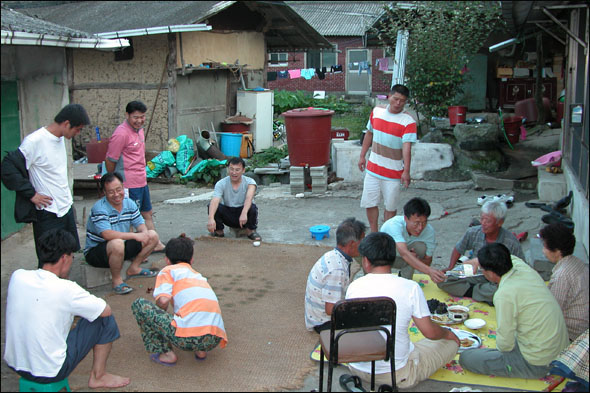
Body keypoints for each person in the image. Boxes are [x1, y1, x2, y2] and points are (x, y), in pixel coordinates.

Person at [3, 229, 129, 389]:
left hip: (16, 365)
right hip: (50, 372)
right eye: (72, 256)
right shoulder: (67, 289)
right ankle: (99, 376)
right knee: (103, 318)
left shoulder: (18, 276)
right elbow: (105, 310)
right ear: (64, 258)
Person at [346, 232, 459, 389]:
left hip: (356, 367)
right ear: (393, 259)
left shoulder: (354, 286)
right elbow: (430, 333)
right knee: (450, 343)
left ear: (366, 261)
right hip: (397, 374)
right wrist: (448, 333)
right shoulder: (410, 287)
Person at [459, 243, 569, 379]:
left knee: (467, 357)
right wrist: (477, 260)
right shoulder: (521, 267)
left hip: (538, 363)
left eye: (483, 269)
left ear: (491, 273)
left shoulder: (504, 294)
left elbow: (505, 345)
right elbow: (511, 257)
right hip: (560, 351)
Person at [1, 104, 90, 267]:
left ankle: (63, 290)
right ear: (66, 124)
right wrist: (31, 194)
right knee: (49, 261)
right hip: (48, 212)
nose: (77, 133)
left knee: (68, 256)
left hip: (65, 208)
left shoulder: (60, 139)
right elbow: (7, 168)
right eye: (77, 129)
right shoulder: (35, 141)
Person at [131, 235, 227, 366]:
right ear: (191, 260)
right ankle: (201, 351)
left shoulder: (168, 271)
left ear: (167, 260)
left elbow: (163, 301)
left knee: (139, 305)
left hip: (188, 338)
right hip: (214, 338)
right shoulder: (199, 277)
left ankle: (166, 353)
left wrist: (158, 319)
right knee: (195, 311)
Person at [84, 172, 159, 294]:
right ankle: (116, 280)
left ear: (123, 187)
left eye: (119, 189)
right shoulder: (100, 208)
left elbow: (140, 223)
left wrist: (144, 233)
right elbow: (107, 234)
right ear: (104, 192)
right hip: (97, 252)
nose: (116, 194)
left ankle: (134, 268)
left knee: (152, 235)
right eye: (111, 192)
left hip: (121, 245)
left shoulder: (129, 203)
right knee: (117, 243)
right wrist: (135, 235)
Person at [437, 200, 525, 304]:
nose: (483, 223)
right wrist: (450, 267)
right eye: (482, 219)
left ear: (499, 222)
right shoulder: (473, 232)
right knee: (442, 280)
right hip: (474, 272)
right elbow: (459, 248)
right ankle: (481, 293)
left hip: (497, 279)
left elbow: (521, 268)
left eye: (487, 221)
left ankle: (473, 291)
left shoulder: (511, 242)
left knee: (506, 290)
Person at [105, 100, 165, 251]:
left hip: (141, 181)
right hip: (128, 184)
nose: (139, 120)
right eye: (135, 117)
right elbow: (110, 159)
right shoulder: (121, 133)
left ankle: (155, 244)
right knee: (130, 219)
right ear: (127, 115)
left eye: (142, 117)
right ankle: (133, 250)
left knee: (147, 213)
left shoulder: (140, 130)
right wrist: (114, 181)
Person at [358, 84, 417, 233]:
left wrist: (406, 171)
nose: (398, 103)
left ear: (406, 102)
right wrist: (362, 156)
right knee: (370, 202)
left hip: (394, 172)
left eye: (402, 101)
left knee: (390, 207)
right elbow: (369, 133)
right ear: (389, 96)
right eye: (396, 99)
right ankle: (374, 232)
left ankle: (386, 235)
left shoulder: (408, 121)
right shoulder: (376, 112)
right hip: (373, 168)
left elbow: (407, 147)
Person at [304, 218, 367, 332]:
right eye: (362, 241)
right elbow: (331, 309)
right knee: (368, 319)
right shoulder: (337, 269)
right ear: (352, 244)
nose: (364, 245)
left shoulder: (334, 256)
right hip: (323, 322)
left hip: (319, 315)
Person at [539, 223, 589, 341]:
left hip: (572, 334)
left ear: (557, 251)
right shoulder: (577, 262)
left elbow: (551, 312)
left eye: (545, 247)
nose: (543, 251)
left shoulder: (562, 275)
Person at [380, 197, 445, 283]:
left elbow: (428, 261)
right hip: (383, 257)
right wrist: (430, 271)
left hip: (402, 257)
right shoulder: (394, 225)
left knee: (419, 249)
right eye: (416, 223)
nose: (420, 228)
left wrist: (416, 259)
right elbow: (404, 253)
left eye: (424, 222)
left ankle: (405, 281)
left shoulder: (429, 231)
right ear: (406, 218)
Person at [207, 156, 261, 241]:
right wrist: (211, 218)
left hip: (244, 212)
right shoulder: (221, 183)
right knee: (211, 205)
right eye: (231, 169)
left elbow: (249, 198)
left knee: (252, 207)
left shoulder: (250, 182)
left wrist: (244, 213)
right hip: (228, 212)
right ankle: (218, 231)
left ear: (243, 170)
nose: (234, 172)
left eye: (237, 170)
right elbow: (215, 200)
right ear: (228, 169)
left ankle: (251, 231)